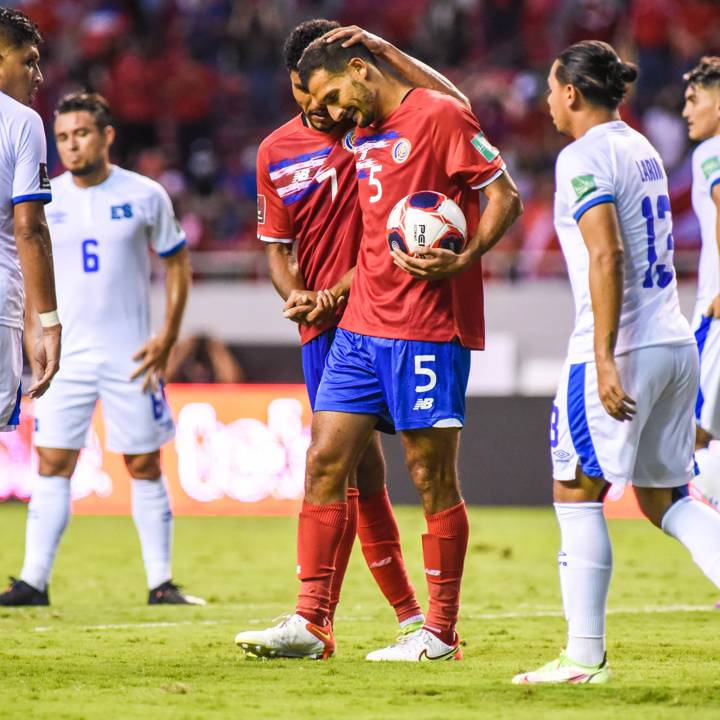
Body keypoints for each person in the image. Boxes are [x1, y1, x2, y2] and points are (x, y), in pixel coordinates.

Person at [235, 36, 521, 662]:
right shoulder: (360, 135)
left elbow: (506, 194)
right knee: (324, 462)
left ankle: (439, 633)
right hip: (359, 330)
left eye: (336, 96)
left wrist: (466, 257)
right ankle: (312, 624)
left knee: (430, 476)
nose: (333, 114)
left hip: (425, 327)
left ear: (361, 69)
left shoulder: (440, 117)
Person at [513, 41, 720, 685]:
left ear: (572, 92)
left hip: (622, 346)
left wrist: (601, 357)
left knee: (576, 492)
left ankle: (582, 657)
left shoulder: (583, 154)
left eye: (551, 88)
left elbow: (606, 255)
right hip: (674, 341)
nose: (547, 100)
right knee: (663, 498)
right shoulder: (642, 148)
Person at [0, 92, 203, 606]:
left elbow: (178, 264)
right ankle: (32, 582)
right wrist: (31, 333)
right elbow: (28, 267)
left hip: (130, 354)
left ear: (107, 136)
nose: (71, 145)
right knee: (51, 462)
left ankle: (161, 583)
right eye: (63, 137)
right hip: (64, 356)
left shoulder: (146, 194)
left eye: (81, 134)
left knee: (143, 464)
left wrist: (168, 334)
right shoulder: (45, 197)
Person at [0, 8, 60, 435]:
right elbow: (30, 228)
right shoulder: (22, 121)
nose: (38, 75)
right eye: (29, 60)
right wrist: (49, 323)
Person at [682, 57, 720, 510]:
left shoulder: (712, 151)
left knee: (688, 431)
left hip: (715, 312)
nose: (687, 111)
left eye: (695, 100)